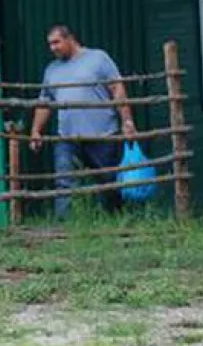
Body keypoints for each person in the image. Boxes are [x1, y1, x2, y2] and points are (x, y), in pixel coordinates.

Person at [28, 25, 136, 220]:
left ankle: (116, 220)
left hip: (102, 134)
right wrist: (36, 130)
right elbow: (44, 102)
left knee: (108, 181)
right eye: (50, 44)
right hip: (67, 138)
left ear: (70, 39)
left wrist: (127, 121)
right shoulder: (52, 70)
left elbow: (117, 89)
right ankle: (63, 226)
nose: (52, 48)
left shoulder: (98, 58)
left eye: (56, 42)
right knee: (64, 182)